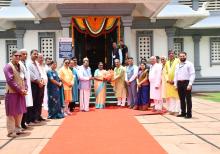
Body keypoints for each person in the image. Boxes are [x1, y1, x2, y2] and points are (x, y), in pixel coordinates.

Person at [3, 50, 27, 137]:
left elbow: (23, 78)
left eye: (19, 56)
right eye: (16, 56)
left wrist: (25, 88)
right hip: (12, 93)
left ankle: (18, 128)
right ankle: (11, 131)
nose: (18, 57)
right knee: (11, 112)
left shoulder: (20, 65)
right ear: (12, 56)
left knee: (19, 111)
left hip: (21, 92)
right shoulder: (8, 67)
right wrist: (20, 90)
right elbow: (10, 81)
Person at [174, 51, 195, 119]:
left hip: (187, 82)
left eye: (183, 56)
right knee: (181, 99)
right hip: (179, 83)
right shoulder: (177, 65)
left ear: (186, 56)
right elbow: (176, 75)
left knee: (188, 99)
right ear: (179, 57)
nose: (182, 57)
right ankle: (183, 113)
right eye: (181, 56)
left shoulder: (189, 64)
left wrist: (190, 84)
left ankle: (189, 114)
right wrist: (175, 84)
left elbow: (192, 74)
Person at [27, 49, 45, 123]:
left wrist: (41, 81)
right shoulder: (29, 64)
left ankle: (37, 116)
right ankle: (31, 119)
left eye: (37, 54)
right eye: (34, 54)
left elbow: (39, 73)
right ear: (31, 54)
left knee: (39, 102)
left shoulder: (36, 63)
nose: (36, 55)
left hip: (39, 84)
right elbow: (31, 76)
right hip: (34, 84)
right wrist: (39, 82)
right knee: (33, 102)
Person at [19, 49, 33, 129]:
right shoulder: (19, 64)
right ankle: (21, 123)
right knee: (22, 106)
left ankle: (24, 122)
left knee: (26, 106)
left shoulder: (25, 64)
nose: (25, 55)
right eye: (23, 54)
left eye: (26, 54)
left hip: (27, 87)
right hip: (22, 88)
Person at [165, 51, 180, 115]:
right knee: (171, 97)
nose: (171, 55)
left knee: (177, 97)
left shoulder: (178, 61)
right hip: (169, 82)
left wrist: (174, 80)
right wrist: (167, 80)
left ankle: (177, 111)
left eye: (172, 54)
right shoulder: (167, 62)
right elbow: (165, 72)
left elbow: (180, 71)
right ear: (168, 55)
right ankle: (171, 110)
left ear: (174, 55)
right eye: (170, 54)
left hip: (176, 82)